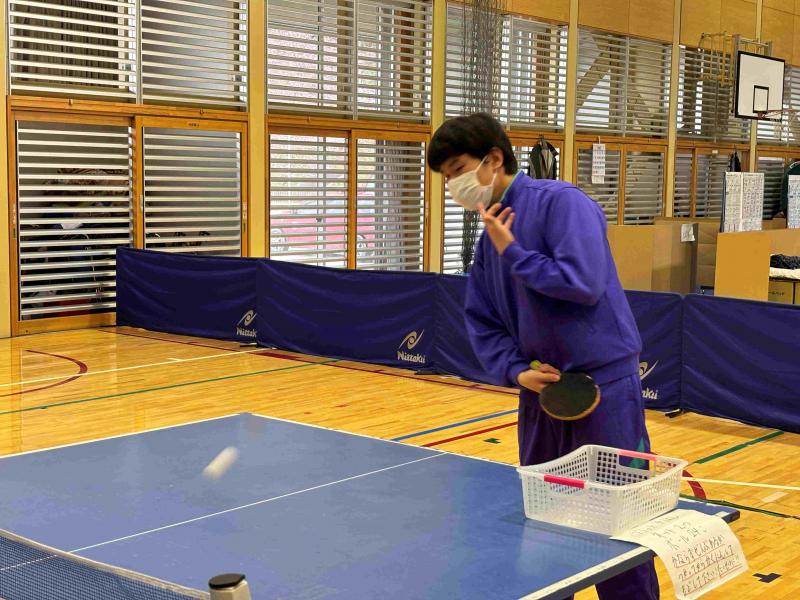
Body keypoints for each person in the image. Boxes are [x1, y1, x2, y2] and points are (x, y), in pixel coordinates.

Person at [427, 113, 657, 600]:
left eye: (458, 170)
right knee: (548, 525)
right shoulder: (489, 238)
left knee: (618, 527)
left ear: (493, 159)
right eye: (446, 178)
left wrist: (513, 252)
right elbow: (482, 318)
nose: (453, 186)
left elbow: (583, 283)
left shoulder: (562, 203)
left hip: (604, 391)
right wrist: (516, 371)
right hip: (541, 394)